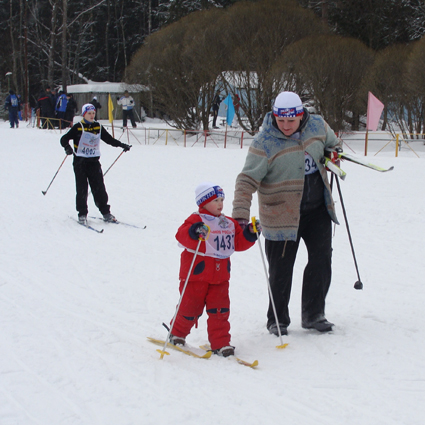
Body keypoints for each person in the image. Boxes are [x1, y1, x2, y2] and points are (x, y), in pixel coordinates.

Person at [232, 91, 342, 336]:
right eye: (281, 121)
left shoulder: (318, 125)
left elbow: (334, 144)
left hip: (317, 209)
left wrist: (333, 156)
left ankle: (314, 314)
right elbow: (246, 180)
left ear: (300, 115)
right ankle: (277, 319)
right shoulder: (264, 142)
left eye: (290, 121)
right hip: (280, 214)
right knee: (281, 269)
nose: (285, 126)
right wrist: (240, 214)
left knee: (321, 261)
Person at [169, 182, 260, 357]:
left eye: (221, 200)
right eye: (215, 200)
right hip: (197, 275)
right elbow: (181, 234)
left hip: (220, 277)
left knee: (220, 310)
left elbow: (238, 242)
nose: (220, 204)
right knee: (189, 309)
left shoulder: (228, 223)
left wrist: (250, 234)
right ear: (203, 203)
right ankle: (177, 333)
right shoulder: (197, 219)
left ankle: (221, 343)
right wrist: (194, 232)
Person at [60, 103, 132, 224]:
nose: (92, 115)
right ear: (84, 114)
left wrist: (122, 145)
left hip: (93, 161)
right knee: (82, 188)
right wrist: (67, 147)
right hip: (80, 162)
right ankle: (82, 214)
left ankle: (106, 212)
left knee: (99, 188)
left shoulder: (98, 127)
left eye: (93, 113)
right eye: (89, 113)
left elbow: (109, 139)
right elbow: (63, 139)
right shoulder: (78, 127)